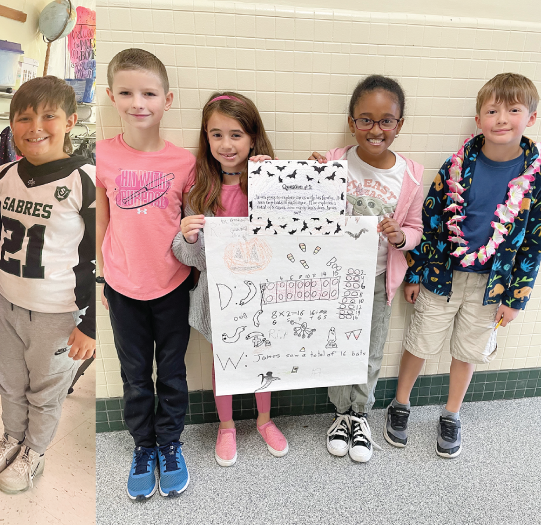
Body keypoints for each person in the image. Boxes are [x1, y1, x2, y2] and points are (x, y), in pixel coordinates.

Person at [389, 73, 541, 458]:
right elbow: (431, 218)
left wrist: (516, 298)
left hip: (493, 283)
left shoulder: (535, 180)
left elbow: (534, 243)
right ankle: (400, 403)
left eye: (513, 109)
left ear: (531, 118)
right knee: (420, 340)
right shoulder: (457, 165)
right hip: (442, 275)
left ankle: (452, 413)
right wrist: (415, 271)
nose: (502, 118)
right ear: (478, 120)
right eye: (492, 110)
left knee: (469, 351)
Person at [0, 76, 95, 494]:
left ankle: (34, 450)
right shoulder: (5, 172)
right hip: (4, 300)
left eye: (48, 115)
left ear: (71, 120)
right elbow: (3, 224)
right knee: (8, 380)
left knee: (46, 388)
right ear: (12, 125)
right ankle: (12, 436)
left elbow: (97, 254)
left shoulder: (85, 180)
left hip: (57, 312)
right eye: (24, 117)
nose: (35, 125)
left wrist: (89, 324)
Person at [96, 48, 196, 500]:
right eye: (127, 92)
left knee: (171, 372)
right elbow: (101, 220)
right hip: (121, 286)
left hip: (173, 285)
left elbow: (191, 222)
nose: (139, 102)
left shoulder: (184, 162)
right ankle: (144, 445)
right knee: (135, 375)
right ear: (111, 97)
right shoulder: (102, 156)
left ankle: (170, 444)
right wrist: (102, 275)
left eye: (149, 93)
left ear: (167, 99)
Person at [308, 75, 424, 462]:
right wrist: (310, 180)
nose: (376, 129)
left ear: (399, 125)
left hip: (377, 280)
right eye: (366, 120)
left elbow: (415, 231)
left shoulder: (409, 175)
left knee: (370, 352)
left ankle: (361, 415)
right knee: (335, 347)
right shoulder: (334, 162)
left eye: (386, 121)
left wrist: (398, 237)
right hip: (333, 279)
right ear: (351, 121)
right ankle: (340, 414)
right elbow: (310, 213)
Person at [173, 92, 289, 467]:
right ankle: (226, 425)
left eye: (236, 134)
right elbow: (193, 259)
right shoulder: (200, 190)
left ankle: (264, 419)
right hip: (219, 296)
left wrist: (274, 183)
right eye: (216, 134)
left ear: (253, 137)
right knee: (224, 361)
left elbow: (291, 237)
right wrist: (187, 237)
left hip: (264, 295)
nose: (226, 144)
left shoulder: (270, 182)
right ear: (206, 138)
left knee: (261, 357)